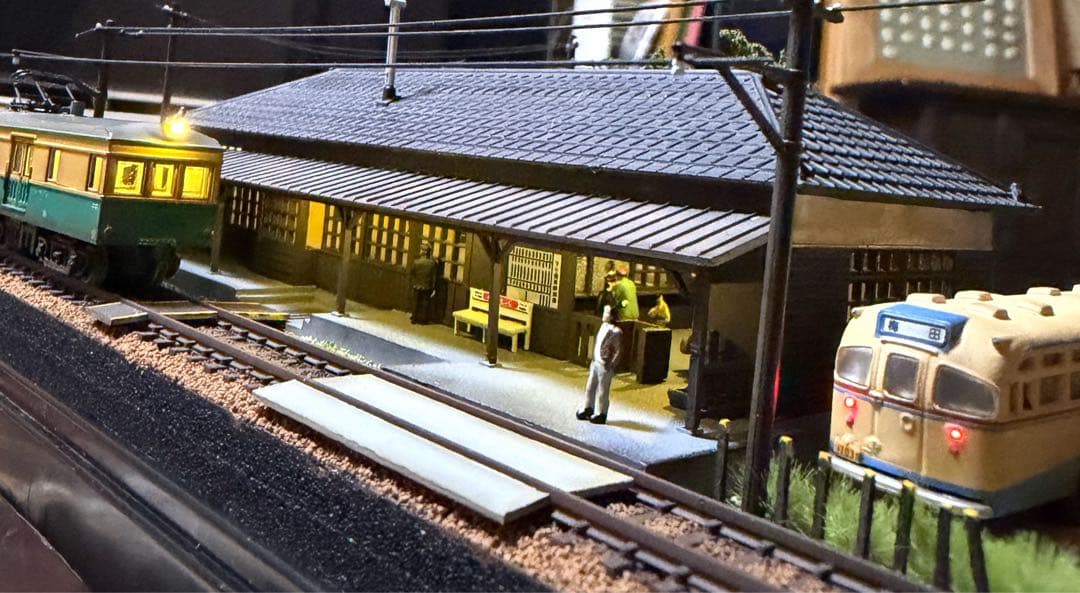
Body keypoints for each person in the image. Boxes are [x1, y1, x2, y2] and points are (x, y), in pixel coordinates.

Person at [577, 305, 624, 425]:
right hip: (596, 362)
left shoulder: (616, 332)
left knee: (603, 390)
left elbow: (618, 351)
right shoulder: (603, 326)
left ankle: (601, 413)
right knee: (590, 387)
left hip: (605, 365)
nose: (604, 315)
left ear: (612, 316)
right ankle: (588, 407)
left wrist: (611, 365)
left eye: (606, 313)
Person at [407, 244, 438, 324]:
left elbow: (411, 273)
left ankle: (414, 318)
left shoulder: (416, 262)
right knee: (425, 303)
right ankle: (423, 320)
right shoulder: (432, 263)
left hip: (416, 285)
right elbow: (434, 277)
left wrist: (412, 283)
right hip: (427, 286)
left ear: (421, 251)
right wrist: (433, 288)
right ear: (429, 252)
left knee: (415, 302)